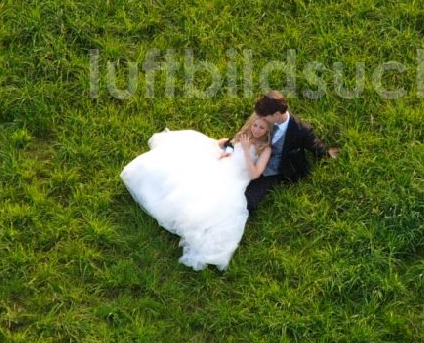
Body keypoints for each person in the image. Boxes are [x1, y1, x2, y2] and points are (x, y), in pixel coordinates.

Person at [119, 114, 274, 271]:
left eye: (262, 128)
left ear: (268, 131)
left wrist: (247, 151)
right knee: (182, 177)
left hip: (234, 179)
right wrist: (223, 150)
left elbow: (255, 174)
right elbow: (225, 144)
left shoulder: (265, 149)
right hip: (222, 165)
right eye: (255, 125)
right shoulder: (244, 135)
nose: (257, 130)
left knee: (205, 204)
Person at [218, 90, 339, 214]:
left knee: (245, 203)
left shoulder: (301, 130)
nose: (261, 118)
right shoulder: (263, 115)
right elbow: (243, 131)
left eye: (265, 117)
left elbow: (315, 146)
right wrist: (230, 148)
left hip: (270, 170)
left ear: (276, 114)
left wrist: (327, 154)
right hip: (249, 159)